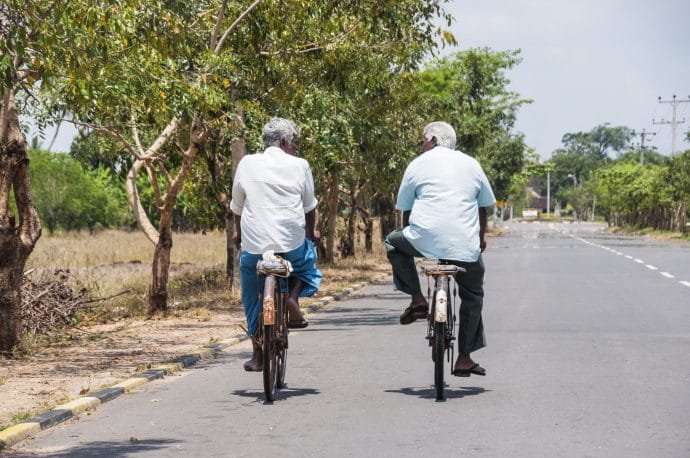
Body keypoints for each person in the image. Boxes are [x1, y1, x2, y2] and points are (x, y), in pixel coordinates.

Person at [385, 121, 496, 377]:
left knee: (393, 242)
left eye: (423, 140)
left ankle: (417, 299)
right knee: (472, 295)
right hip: (465, 245)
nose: (422, 145)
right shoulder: (471, 163)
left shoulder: (417, 163)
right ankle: (465, 357)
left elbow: (406, 208)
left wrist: (412, 239)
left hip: (423, 239)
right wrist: (480, 239)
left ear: (433, 139)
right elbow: (483, 206)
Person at [230, 117, 322, 372]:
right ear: (283, 142)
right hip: (290, 243)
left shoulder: (247, 163)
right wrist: (311, 234)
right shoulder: (300, 165)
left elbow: (237, 206)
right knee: (308, 265)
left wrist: (238, 234)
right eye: (295, 143)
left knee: (250, 294)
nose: (297, 149)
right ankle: (292, 297)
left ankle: (257, 353)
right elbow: (309, 207)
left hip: (254, 246)